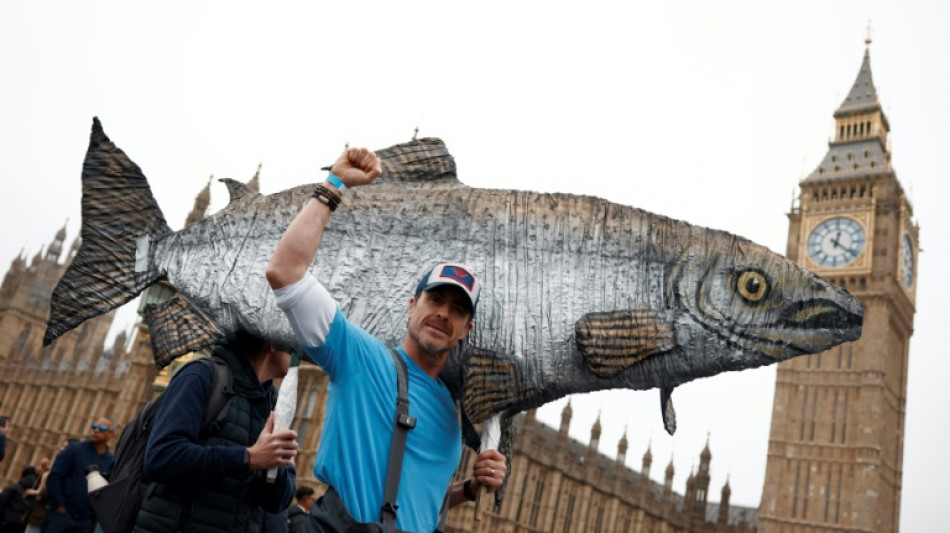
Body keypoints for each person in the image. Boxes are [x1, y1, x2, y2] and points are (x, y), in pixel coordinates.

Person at [266, 147, 507, 532]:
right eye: (435, 299)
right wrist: (335, 185)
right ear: (411, 305)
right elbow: (285, 272)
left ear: (467, 330)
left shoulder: (452, 413)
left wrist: (471, 488)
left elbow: (416, 501)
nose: (443, 313)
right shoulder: (360, 357)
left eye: (457, 310)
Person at [132, 331, 298, 533]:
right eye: (293, 343)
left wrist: (275, 467)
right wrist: (248, 458)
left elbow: (276, 503)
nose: (298, 352)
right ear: (272, 343)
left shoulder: (277, 403)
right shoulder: (201, 376)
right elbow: (161, 457)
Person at [43, 419, 114, 533]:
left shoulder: (110, 461)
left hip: (85, 521)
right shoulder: (74, 449)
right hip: (61, 515)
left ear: (111, 435)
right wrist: (59, 506)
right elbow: (55, 476)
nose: (96, 430)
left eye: (101, 429)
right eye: (94, 426)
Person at [0, 465, 38, 533]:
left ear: (21, 475)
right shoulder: (34, 494)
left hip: (5, 523)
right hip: (20, 526)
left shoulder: (12, 488)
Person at [22, 457, 52, 533]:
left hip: (40, 517)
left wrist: (37, 492)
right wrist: (43, 469)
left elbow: (46, 491)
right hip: (34, 515)